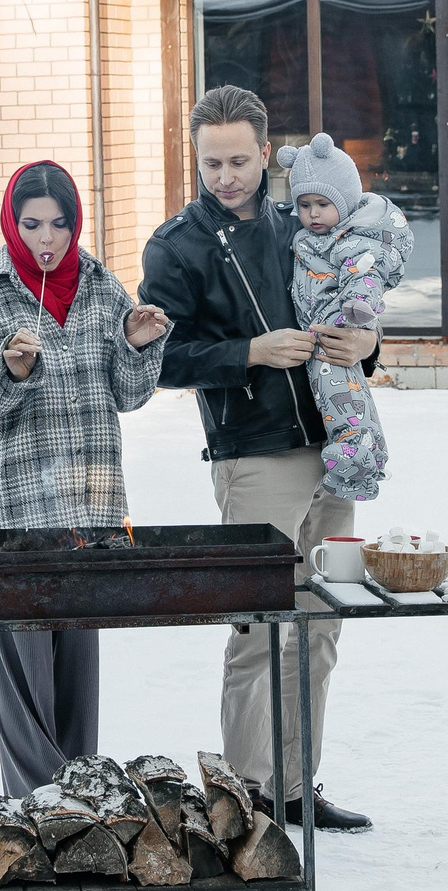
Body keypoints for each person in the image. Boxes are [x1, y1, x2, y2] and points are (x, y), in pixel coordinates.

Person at [141, 87, 377, 831]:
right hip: (253, 457)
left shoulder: (304, 226)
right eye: (212, 162)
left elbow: (352, 307)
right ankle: (245, 800)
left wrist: (369, 346)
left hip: (336, 453)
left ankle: (296, 789)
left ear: (266, 154)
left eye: (239, 160)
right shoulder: (173, 245)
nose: (226, 176)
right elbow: (160, 359)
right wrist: (250, 352)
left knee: (323, 620)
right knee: (257, 629)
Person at [0, 160, 170, 795]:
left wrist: (138, 345)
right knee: (23, 673)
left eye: (59, 224)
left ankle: (82, 804)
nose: (47, 238)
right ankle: (37, 808)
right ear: (12, 223)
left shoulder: (100, 288)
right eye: (32, 223)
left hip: (87, 514)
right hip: (9, 517)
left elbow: (127, 394)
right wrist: (6, 376)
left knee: (76, 677)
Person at [275, 132, 411, 502]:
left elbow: (365, 276)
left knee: (339, 392)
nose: (312, 214)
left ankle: (357, 455)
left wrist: (357, 309)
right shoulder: (308, 236)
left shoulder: (353, 239)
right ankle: (362, 450)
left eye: (322, 204)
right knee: (344, 395)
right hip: (315, 331)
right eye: (304, 205)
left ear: (345, 201)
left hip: (336, 329)